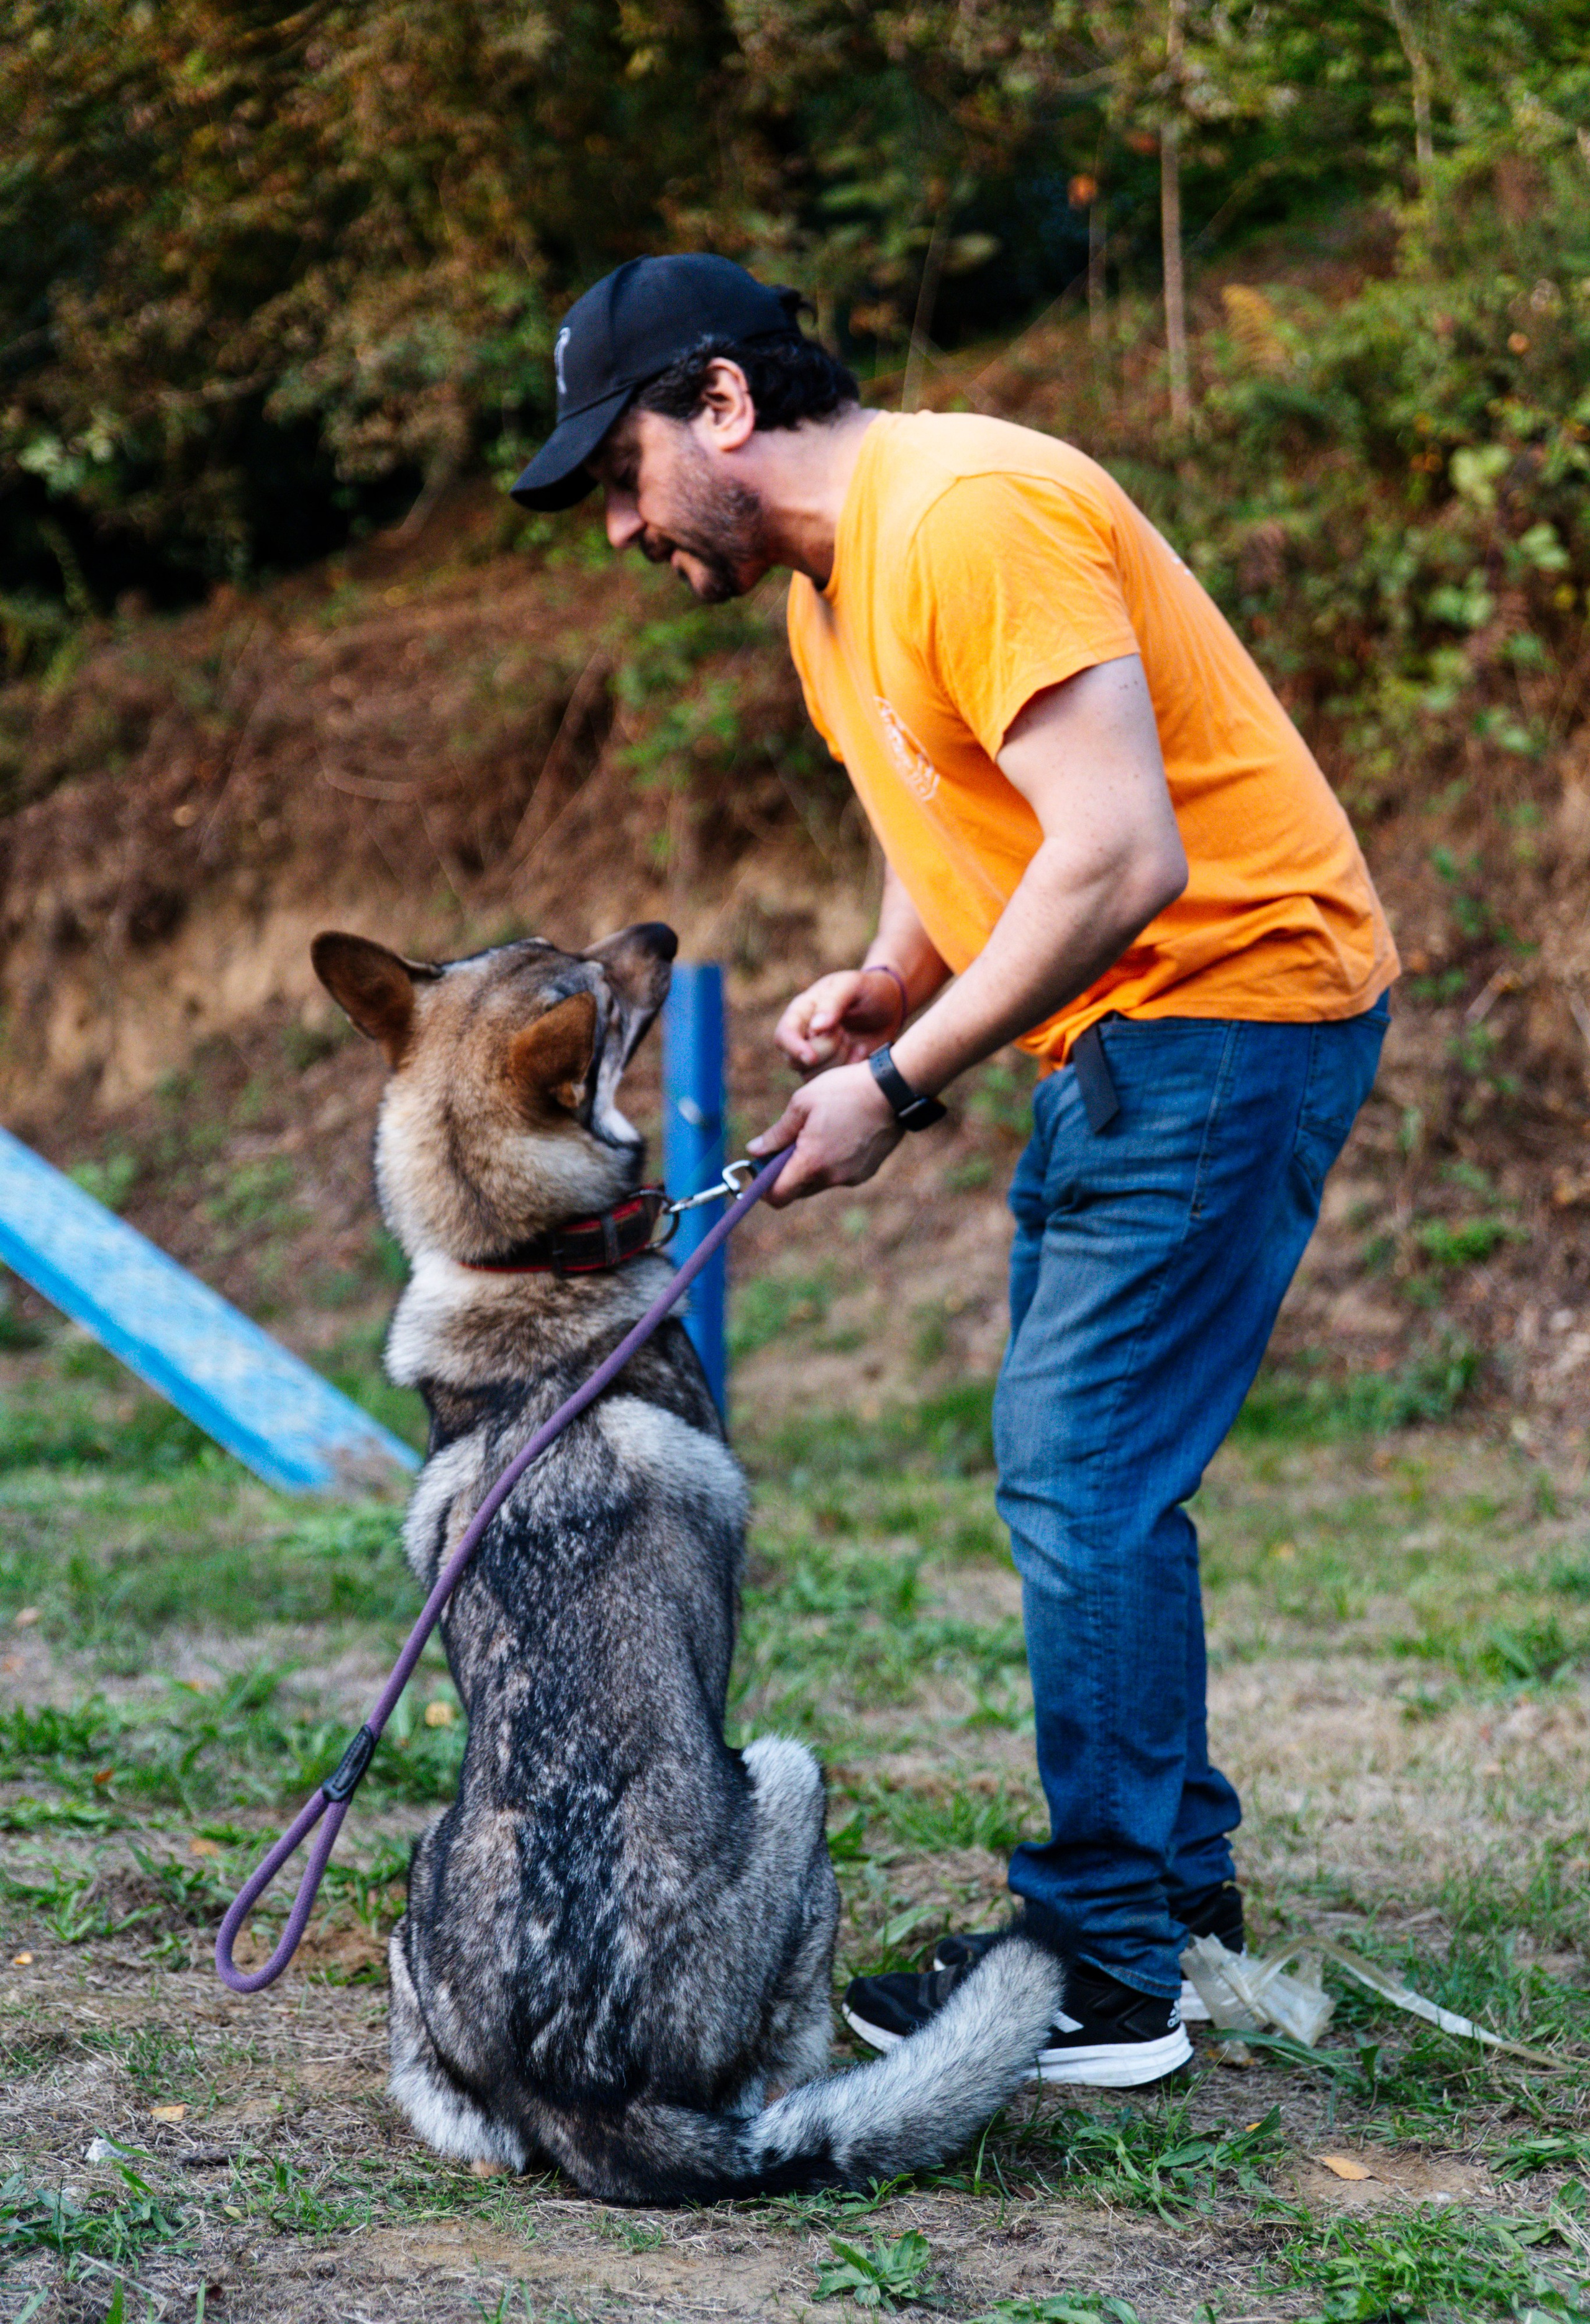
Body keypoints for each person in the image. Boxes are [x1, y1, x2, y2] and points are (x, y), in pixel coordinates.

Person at [511, 253, 1397, 2089]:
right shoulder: (836, 595)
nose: (615, 526)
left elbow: (1123, 851)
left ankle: (1108, 1972)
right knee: (1094, 1471)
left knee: (1083, 1470)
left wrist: (900, 1086)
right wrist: (895, 974)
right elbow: (968, 810)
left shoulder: (970, 512)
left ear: (727, 408)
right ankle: (1174, 1894)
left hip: (1232, 1002)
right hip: (1122, 1035)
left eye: (621, 471)